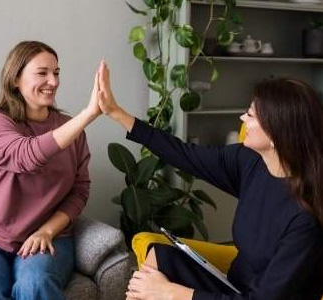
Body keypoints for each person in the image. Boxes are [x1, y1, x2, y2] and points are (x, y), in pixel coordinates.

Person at [97, 62, 323, 300]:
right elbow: (185, 155)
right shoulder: (251, 162)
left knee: (159, 288)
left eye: (251, 114)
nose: (242, 118)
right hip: (232, 288)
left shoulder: (305, 219)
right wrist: (115, 112)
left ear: (276, 132)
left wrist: (173, 293)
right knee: (160, 259)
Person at [0, 41, 102, 299]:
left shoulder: (72, 130)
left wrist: (48, 230)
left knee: (35, 284)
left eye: (56, 72)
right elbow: (25, 156)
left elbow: (79, 191)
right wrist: (87, 115)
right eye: (42, 73)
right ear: (16, 78)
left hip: (47, 237)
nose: (53, 81)